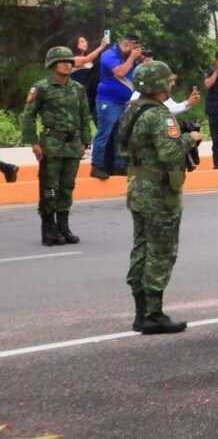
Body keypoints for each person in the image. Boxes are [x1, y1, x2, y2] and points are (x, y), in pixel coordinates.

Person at [119, 60, 202, 335]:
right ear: (157, 84)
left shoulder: (131, 110)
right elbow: (169, 153)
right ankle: (153, 314)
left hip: (138, 188)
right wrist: (191, 138)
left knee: (141, 248)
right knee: (162, 251)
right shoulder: (159, 115)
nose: (171, 85)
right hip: (159, 193)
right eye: (168, 81)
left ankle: (141, 312)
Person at [20, 47, 92, 246]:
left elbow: (85, 116)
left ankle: (63, 227)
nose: (67, 64)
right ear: (53, 64)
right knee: (50, 188)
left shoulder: (78, 88)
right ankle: (48, 229)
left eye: (70, 61)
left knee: (67, 187)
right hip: (51, 144)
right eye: (62, 61)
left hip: (73, 145)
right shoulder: (41, 87)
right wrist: (33, 142)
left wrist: (85, 142)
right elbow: (28, 115)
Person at [90, 34, 141, 179]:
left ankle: (119, 165)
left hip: (123, 102)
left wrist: (138, 59)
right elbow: (120, 72)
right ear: (126, 45)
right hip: (108, 101)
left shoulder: (128, 59)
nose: (135, 51)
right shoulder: (109, 55)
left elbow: (136, 75)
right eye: (134, 48)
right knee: (103, 134)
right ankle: (97, 165)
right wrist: (131, 58)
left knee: (120, 135)